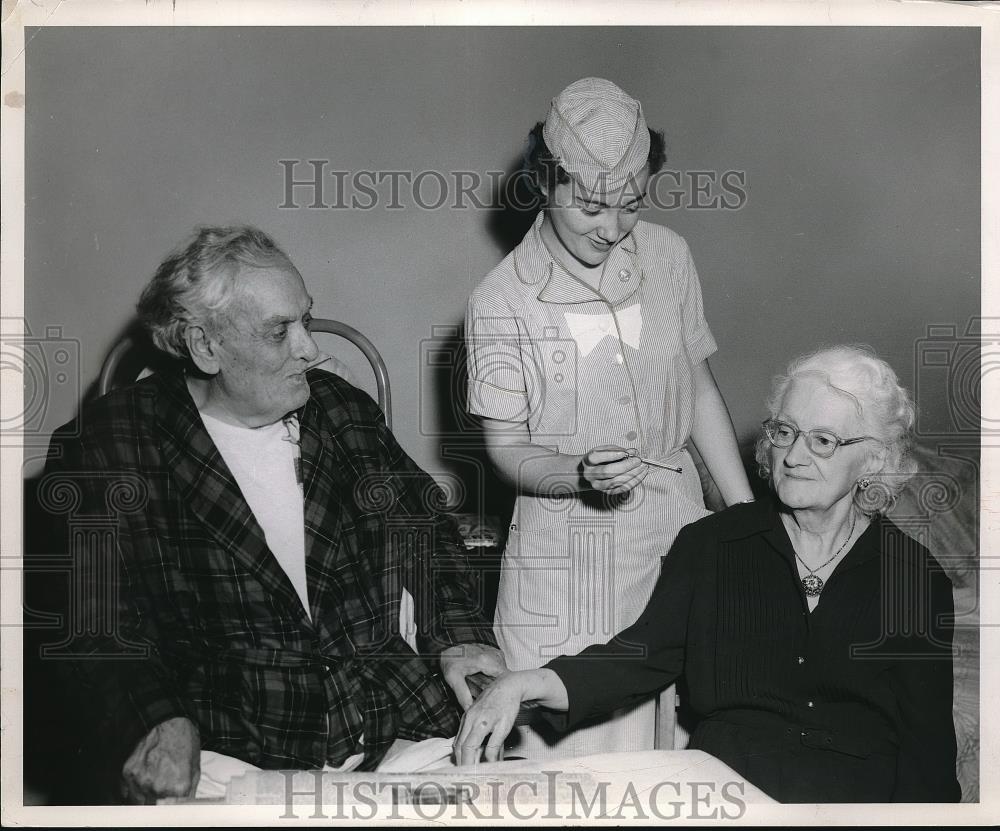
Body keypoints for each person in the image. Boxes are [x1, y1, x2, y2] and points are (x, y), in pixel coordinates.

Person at [40, 226, 504, 803]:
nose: (309, 348)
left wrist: (456, 637)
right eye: (279, 332)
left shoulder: (340, 410)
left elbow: (426, 535)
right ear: (205, 346)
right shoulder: (109, 445)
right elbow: (92, 618)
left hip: (391, 729)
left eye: (306, 320)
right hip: (230, 750)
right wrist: (154, 717)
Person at [455, 345, 961, 803]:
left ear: (873, 459)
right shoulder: (713, 544)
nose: (792, 455)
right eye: (784, 431)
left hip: (852, 806)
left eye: (823, 440)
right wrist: (524, 684)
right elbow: (638, 658)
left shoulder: (913, 578)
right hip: (723, 792)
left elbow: (928, 753)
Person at [465, 77, 753, 757]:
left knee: (682, 765)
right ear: (545, 182)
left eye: (629, 204)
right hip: (568, 572)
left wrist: (744, 516)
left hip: (675, 541)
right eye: (590, 205)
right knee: (574, 774)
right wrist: (577, 472)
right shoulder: (501, 300)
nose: (612, 227)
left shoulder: (668, 257)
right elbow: (506, 446)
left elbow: (698, 388)